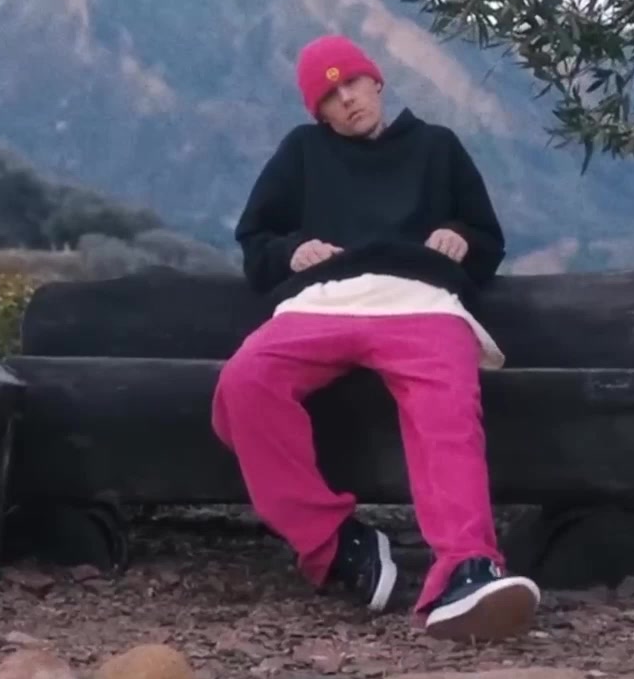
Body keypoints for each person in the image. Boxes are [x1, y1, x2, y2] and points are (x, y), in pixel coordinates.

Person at [211, 34, 541, 642]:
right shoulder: (302, 152)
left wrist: (461, 239)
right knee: (243, 385)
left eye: (352, 84)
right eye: (329, 97)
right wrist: (290, 250)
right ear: (319, 112)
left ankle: (467, 568)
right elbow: (256, 244)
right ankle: (335, 543)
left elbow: (486, 242)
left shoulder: (437, 147)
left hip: (420, 300)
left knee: (447, 409)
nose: (346, 100)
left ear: (376, 82)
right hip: (323, 301)